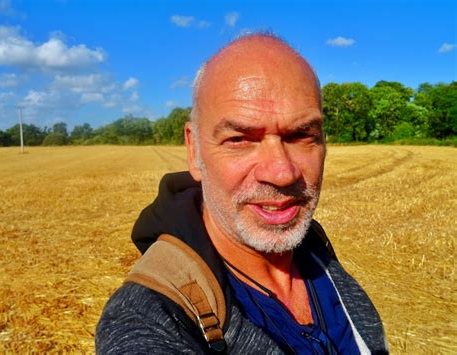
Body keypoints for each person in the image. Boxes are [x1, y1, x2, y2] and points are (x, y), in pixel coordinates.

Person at [96, 33, 388, 354]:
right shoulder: (148, 317)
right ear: (194, 151)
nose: (281, 172)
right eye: (239, 140)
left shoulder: (316, 254)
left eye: (302, 135)